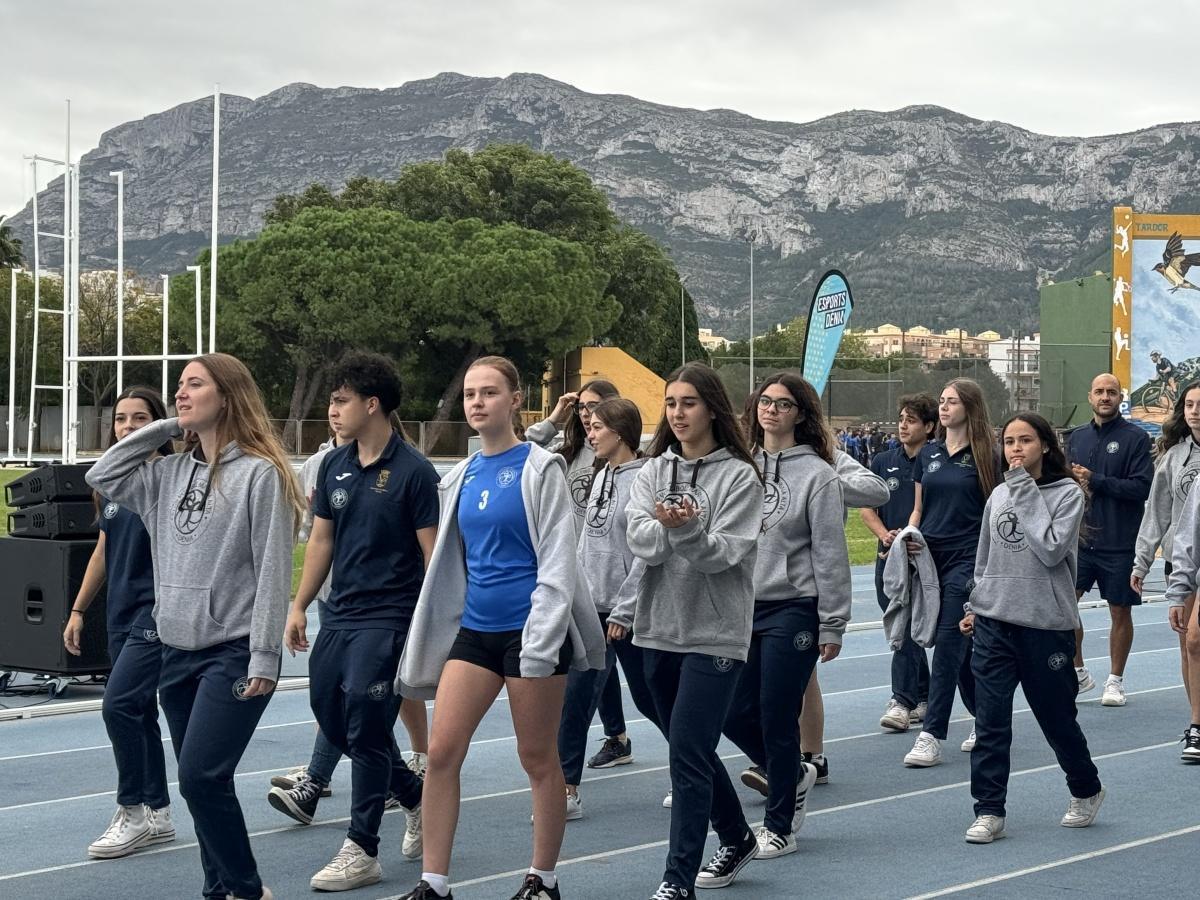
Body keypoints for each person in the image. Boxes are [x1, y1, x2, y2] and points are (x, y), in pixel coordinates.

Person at [86, 353, 303, 900]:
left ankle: (247, 890)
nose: (181, 393)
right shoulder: (166, 474)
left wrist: (263, 657)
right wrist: (166, 426)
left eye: (194, 385)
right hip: (174, 650)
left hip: (230, 652)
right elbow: (102, 473)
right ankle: (218, 889)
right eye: (178, 386)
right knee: (203, 785)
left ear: (227, 397)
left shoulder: (261, 475)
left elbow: (273, 572)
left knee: (202, 777)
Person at [395, 355, 605, 900]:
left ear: (515, 400)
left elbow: (559, 560)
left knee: (537, 758)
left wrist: (541, 640)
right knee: (441, 752)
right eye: (469, 394)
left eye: (489, 392)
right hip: (476, 632)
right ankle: (434, 884)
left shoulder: (541, 467)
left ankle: (543, 880)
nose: (476, 402)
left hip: (532, 634)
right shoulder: (460, 476)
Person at [283, 353, 437, 890]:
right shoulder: (334, 465)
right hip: (340, 614)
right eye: (331, 399)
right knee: (332, 716)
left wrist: (430, 624)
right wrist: (299, 604)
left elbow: (431, 555)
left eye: (341, 399)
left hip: (390, 617)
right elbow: (321, 539)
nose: (332, 409)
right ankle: (416, 796)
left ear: (373, 404)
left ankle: (362, 846)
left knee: (367, 726)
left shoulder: (414, 471)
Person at [623, 362, 763, 899]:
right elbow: (640, 540)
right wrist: (668, 529)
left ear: (712, 409)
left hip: (716, 634)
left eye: (688, 403)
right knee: (692, 750)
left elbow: (722, 556)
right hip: (657, 628)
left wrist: (684, 530)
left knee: (686, 752)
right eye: (671, 403)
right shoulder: (654, 471)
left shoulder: (739, 477)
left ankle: (676, 880)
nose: (678, 413)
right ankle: (736, 834)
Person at [720, 373, 848, 860]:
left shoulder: (818, 475)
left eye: (783, 403)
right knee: (732, 710)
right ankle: (791, 774)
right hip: (740, 605)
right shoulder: (740, 467)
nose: (770, 410)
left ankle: (779, 825)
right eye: (765, 401)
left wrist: (832, 622)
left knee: (777, 711)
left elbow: (831, 554)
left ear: (800, 414)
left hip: (793, 607)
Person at [962, 412, 1104, 843]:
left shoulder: (1067, 495)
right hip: (994, 622)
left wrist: (1022, 487)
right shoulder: (999, 494)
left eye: (1025, 440)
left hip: (1045, 625)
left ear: (1045, 445)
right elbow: (984, 559)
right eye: (1008, 442)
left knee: (1056, 719)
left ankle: (1086, 788)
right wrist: (975, 604)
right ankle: (989, 809)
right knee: (990, 722)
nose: (1015, 449)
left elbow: (1048, 548)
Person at [64, 386, 176, 860]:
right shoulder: (111, 483)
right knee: (139, 711)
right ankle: (159, 811)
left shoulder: (169, 477)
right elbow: (105, 551)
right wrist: (77, 609)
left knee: (118, 706)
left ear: (157, 425)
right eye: (121, 419)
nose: (127, 428)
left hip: (157, 613)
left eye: (139, 419)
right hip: (120, 613)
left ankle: (130, 810)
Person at [559, 398, 665, 818]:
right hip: (592, 608)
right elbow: (589, 541)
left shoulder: (646, 479)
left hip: (632, 612)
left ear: (620, 432)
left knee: (650, 697)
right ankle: (566, 789)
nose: (591, 433)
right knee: (575, 700)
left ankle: (697, 769)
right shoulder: (601, 473)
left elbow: (645, 553)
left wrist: (624, 609)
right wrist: (575, 592)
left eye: (599, 427)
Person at [528, 381, 635, 770]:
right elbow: (528, 453)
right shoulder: (570, 453)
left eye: (596, 407)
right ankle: (604, 749)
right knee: (588, 674)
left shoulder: (626, 464)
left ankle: (609, 747)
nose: (587, 415)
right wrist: (555, 419)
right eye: (582, 409)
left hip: (620, 590)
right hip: (579, 580)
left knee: (643, 692)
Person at [903, 378, 997, 767]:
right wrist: (908, 536)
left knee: (946, 642)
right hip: (930, 557)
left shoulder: (987, 455)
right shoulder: (930, 453)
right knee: (957, 650)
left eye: (952, 401)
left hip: (968, 558)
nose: (943, 407)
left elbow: (997, 509)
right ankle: (987, 718)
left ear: (969, 407)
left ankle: (932, 733)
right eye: (941, 401)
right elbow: (919, 509)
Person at [1065, 373, 1153, 706]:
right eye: (1099, 391)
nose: (1105, 397)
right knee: (1063, 608)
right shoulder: (1077, 438)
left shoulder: (1136, 438)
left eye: (1111, 392)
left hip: (1120, 543)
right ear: (1090, 396)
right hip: (1080, 542)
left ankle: (1115, 680)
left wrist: (1096, 480)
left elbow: (1141, 488)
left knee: (1120, 612)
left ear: (1120, 398)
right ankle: (1078, 672)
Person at [862, 394, 937, 732]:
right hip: (887, 559)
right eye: (901, 418)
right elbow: (866, 508)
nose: (903, 425)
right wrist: (885, 535)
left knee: (906, 629)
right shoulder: (882, 461)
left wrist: (912, 536)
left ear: (929, 426)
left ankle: (902, 700)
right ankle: (926, 694)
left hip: (921, 560)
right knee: (901, 626)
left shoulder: (937, 462)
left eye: (911, 420)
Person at [1133, 382, 1200, 759]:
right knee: (1191, 644)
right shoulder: (1174, 458)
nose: (1195, 411)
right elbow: (1156, 511)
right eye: (1189, 404)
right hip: (1183, 559)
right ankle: (1197, 722)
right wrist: (1142, 560)